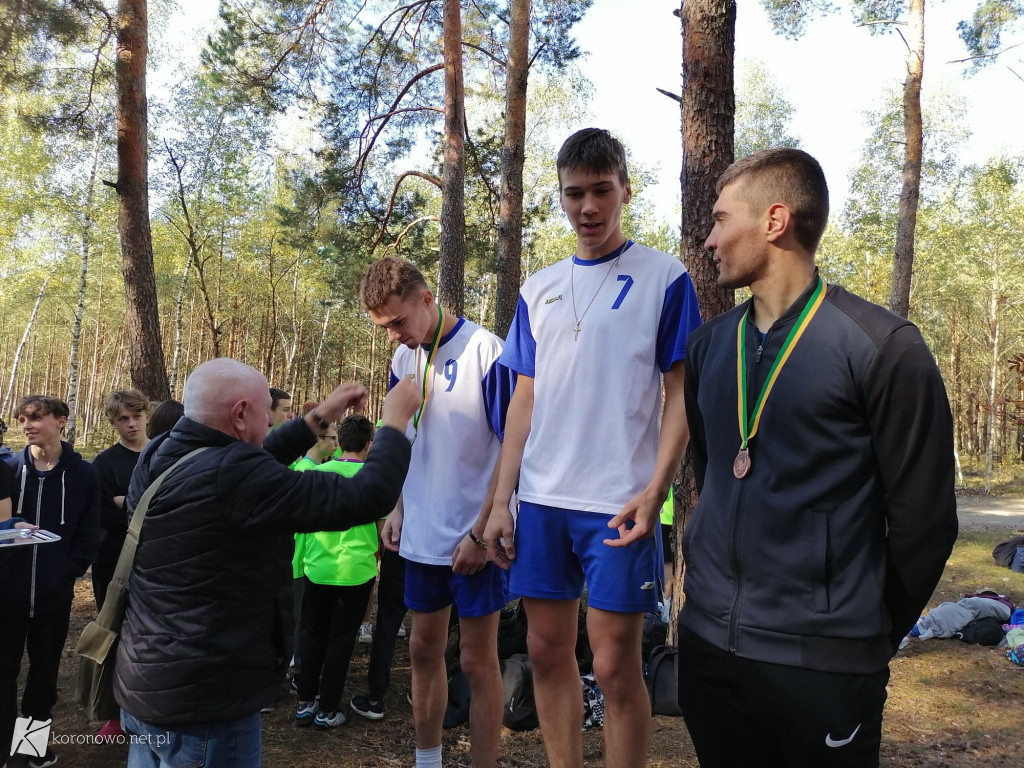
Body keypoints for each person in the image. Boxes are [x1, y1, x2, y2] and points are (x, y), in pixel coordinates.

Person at [677, 147, 958, 768]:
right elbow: (716, 469)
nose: (708, 239)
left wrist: (860, 629)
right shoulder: (707, 348)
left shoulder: (884, 348)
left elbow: (925, 520)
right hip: (710, 650)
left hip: (827, 664)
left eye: (721, 220)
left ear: (774, 221)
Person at [485, 127, 701, 768]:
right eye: (574, 193)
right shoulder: (537, 288)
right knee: (549, 654)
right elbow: (523, 397)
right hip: (544, 500)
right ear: (560, 197)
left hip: (619, 502)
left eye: (601, 191)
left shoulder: (664, 277)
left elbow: (680, 390)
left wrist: (656, 488)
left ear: (625, 190)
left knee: (614, 665)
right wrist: (502, 500)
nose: (588, 207)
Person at [114, 358, 421, 768]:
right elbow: (366, 497)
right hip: (206, 702)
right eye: (266, 413)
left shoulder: (162, 451)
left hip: (147, 683)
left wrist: (317, 418)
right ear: (241, 414)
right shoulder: (234, 475)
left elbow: (251, 457)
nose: (271, 425)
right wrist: (395, 424)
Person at [360, 257, 515, 768]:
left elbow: (512, 444)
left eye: (398, 322)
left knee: (476, 659)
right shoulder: (403, 359)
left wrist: (480, 530)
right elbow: (400, 436)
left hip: (475, 536)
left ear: (427, 299)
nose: (393, 336)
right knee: (423, 650)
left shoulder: (486, 351)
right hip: (420, 533)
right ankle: (428, 759)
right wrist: (398, 508)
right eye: (383, 328)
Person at [1, 396, 101, 768]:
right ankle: (6, 750)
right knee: (3, 673)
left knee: (43, 676)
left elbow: (91, 531)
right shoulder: (10, 469)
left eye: (37, 418)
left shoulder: (84, 474)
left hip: (53, 594)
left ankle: (30, 748)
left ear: (60, 421)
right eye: (23, 419)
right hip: (7, 591)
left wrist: (68, 569)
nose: (27, 425)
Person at [292, 415, 378, 729]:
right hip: (357, 571)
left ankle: (305, 702)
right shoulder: (372, 478)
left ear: (338, 442)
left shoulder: (316, 475)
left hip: (318, 566)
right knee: (341, 640)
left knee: (312, 632)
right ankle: (328, 709)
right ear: (369, 445)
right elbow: (383, 528)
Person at [91, 390, 150, 611]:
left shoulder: (163, 455)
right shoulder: (104, 463)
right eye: (124, 418)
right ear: (112, 423)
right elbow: (103, 513)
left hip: (158, 555)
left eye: (137, 416)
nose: (132, 424)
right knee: (111, 623)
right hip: (114, 556)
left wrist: (125, 502)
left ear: (148, 416)